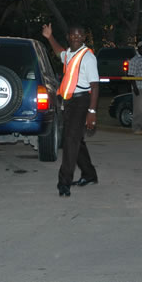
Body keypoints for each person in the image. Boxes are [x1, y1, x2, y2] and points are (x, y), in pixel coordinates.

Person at [42, 22, 99, 197]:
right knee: (75, 140)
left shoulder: (88, 57)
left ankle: (64, 182)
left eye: (80, 35)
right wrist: (50, 37)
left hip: (82, 102)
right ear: (68, 37)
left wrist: (92, 112)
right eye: (73, 35)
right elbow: (60, 52)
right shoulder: (70, 54)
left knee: (70, 141)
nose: (76, 37)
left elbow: (95, 87)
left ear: (84, 38)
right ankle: (89, 174)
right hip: (69, 103)